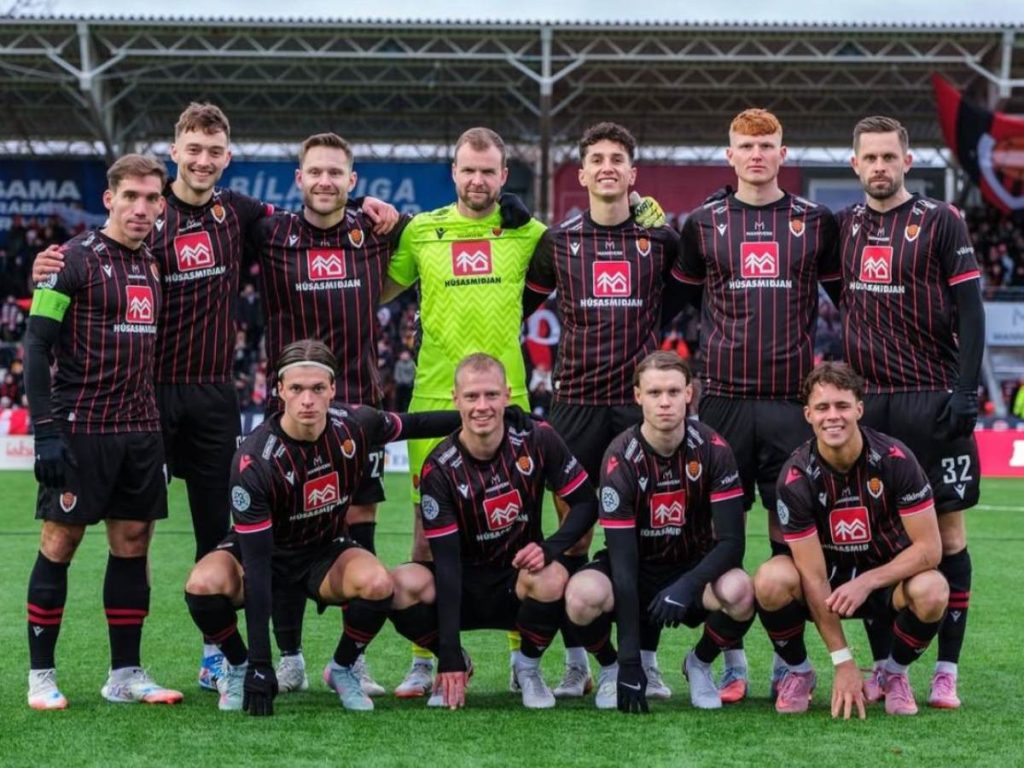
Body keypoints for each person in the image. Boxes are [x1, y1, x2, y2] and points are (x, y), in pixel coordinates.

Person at [29, 105, 398, 692]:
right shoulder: (146, 217)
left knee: (216, 532)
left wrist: (370, 208)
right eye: (193, 150)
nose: (203, 161)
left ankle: (215, 655)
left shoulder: (240, 213)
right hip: (141, 398)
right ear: (175, 151)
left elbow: (311, 216)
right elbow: (85, 262)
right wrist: (51, 265)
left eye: (215, 151)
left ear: (227, 157)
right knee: (133, 535)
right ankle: (125, 666)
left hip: (211, 397)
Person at [182, 339, 463, 715]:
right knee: (202, 585)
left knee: (379, 583)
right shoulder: (254, 459)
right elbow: (259, 568)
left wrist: (490, 415)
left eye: (317, 388)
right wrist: (262, 666)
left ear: (333, 389)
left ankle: (342, 668)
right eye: (296, 389)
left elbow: (416, 424)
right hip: (264, 554)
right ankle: (239, 665)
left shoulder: (355, 425)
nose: (307, 400)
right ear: (279, 390)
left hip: (323, 551)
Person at [674, 108, 841, 700]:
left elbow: (852, 300)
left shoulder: (815, 223)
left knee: (786, 537)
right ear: (729, 154)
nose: (756, 155)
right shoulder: (703, 224)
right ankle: (731, 655)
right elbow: (678, 299)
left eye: (767, 145)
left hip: (788, 405)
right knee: (721, 533)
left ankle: (784, 658)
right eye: (746, 146)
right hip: (721, 400)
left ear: (783, 153)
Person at [381, 127, 547, 697]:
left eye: (489, 171)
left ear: (504, 177)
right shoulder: (422, 231)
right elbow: (369, 288)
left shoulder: (527, 234)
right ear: (453, 172)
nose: (477, 180)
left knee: (520, 529)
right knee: (427, 534)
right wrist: (366, 222)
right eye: (467, 170)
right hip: (432, 400)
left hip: (509, 400)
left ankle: (523, 660)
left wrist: (645, 208)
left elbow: (589, 242)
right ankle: (425, 658)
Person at [523, 122, 684, 700]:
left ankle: (644, 658)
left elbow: (690, 292)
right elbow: (520, 303)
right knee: (570, 535)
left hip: (639, 410)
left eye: (618, 158)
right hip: (576, 406)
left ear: (633, 175)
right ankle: (577, 661)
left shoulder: (662, 242)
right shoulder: (559, 243)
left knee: (643, 535)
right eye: (597, 158)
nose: (608, 166)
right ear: (584, 173)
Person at [244, 131, 406, 696]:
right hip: (294, 408)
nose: (325, 181)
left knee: (360, 525)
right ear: (299, 178)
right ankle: (288, 654)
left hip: (360, 408)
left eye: (336, 172)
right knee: (287, 537)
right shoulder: (269, 233)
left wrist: (394, 214)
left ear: (353, 181)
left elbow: (443, 230)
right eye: (315, 171)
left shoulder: (375, 231)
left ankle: (351, 658)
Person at [24, 154, 183, 709]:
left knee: (133, 546)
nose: (142, 208)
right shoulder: (71, 260)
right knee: (60, 542)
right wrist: (44, 430)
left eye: (151, 199)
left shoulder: (155, 266)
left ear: (162, 205)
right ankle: (41, 676)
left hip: (139, 430)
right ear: (109, 199)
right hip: (81, 426)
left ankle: (125, 674)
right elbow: (36, 343)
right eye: (131, 197)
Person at [837, 115, 984, 709]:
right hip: (871, 404)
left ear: (907, 161)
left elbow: (971, 311)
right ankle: (887, 668)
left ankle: (945, 670)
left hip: (932, 396)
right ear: (854, 165)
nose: (878, 166)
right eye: (868, 157)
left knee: (947, 534)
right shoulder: (841, 227)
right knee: (877, 539)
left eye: (888, 157)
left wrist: (967, 390)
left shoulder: (941, 221)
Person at [387, 353, 597, 709]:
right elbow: (448, 565)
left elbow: (587, 503)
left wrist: (549, 548)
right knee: (396, 586)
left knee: (553, 576)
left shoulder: (537, 438)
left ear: (507, 395)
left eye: (490, 395)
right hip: (462, 587)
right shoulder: (438, 467)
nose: (481, 406)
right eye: (471, 397)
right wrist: (449, 654)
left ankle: (528, 669)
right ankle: (458, 662)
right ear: (455, 399)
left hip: (517, 583)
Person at [754, 362, 948, 718]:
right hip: (827, 588)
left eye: (842, 406)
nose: (834, 416)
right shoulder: (796, 476)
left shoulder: (896, 459)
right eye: (823, 407)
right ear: (808, 414)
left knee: (933, 589)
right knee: (770, 579)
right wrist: (842, 661)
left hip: (886, 581)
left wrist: (868, 582)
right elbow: (811, 577)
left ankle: (893, 673)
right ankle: (799, 672)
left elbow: (930, 550)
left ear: (859, 408)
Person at [563, 351, 753, 713]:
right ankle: (610, 666)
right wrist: (631, 663)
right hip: (635, 565)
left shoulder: (714, 448)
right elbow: (622, 563)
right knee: (580, 596)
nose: (664, 402)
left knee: (741, 591)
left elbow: (732, 542)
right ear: (638, 396)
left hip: (693, 566)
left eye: (672, 391)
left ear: (688, 394)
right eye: (654, 393)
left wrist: (688, 585)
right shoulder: (620, 456)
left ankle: (698, 663)